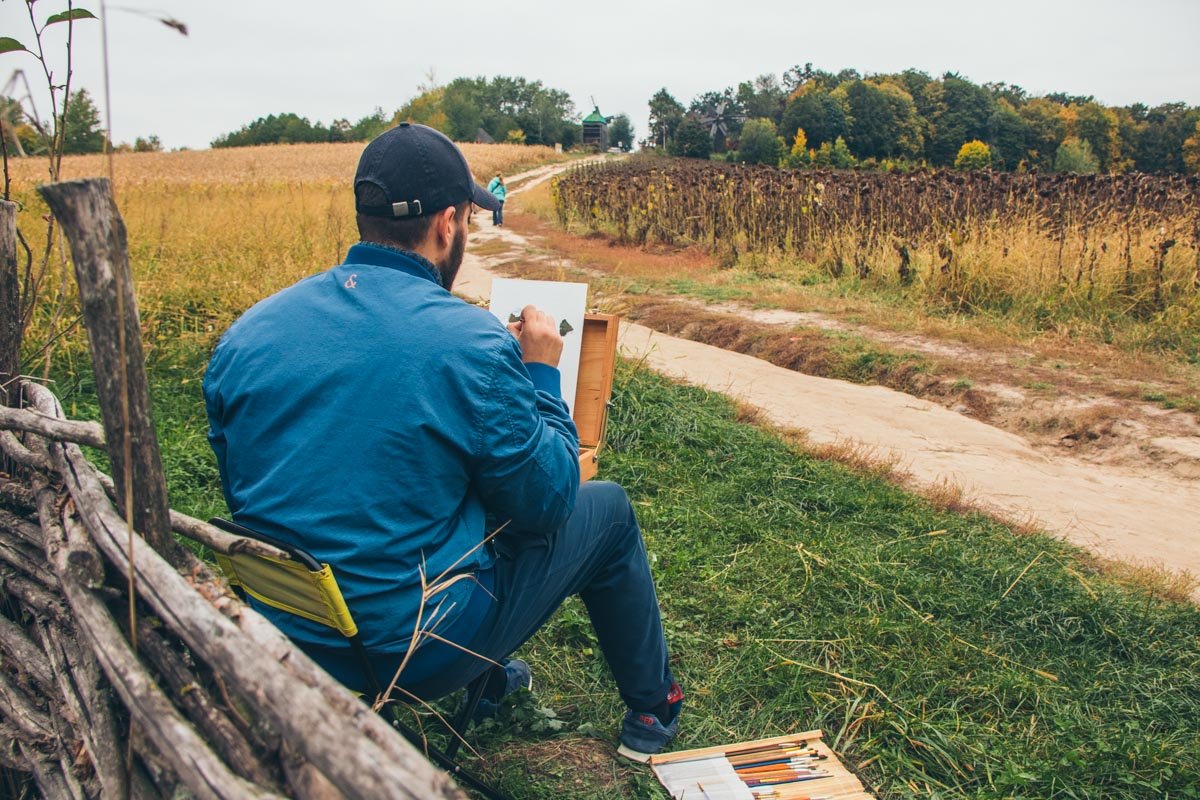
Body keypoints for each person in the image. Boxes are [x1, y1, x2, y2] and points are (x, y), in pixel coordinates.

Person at [203, 123, 681, 762]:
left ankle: (491, 678)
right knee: (609, 511)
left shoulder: (247, 334)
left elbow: (245, 483)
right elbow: (549, 501)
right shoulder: (474, 344)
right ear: (448, 224)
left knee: (448, 492)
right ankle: (653, 708)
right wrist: (538, 371)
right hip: (410, 649)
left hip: (284, 626)